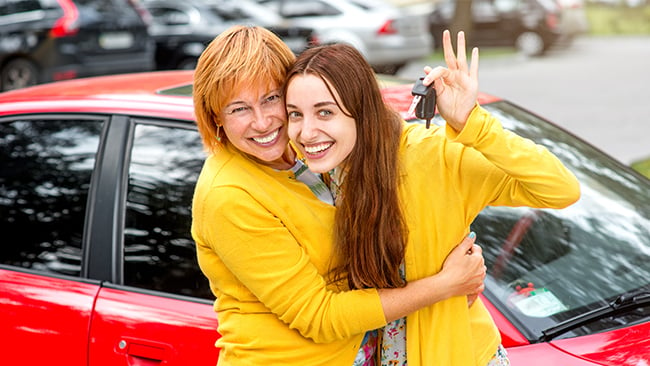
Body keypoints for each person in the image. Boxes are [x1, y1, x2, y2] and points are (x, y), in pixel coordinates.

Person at [191, 25, 487, 365]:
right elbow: (319, 316)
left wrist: (444, 259)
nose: (262, 123)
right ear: (216, 117)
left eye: (271, 99)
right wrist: (443, 285)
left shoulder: (304, 146)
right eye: (238, 109)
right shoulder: (228, 196)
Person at [284, 30, 581, 366]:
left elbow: (560, 188)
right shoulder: (306, 178)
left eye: (325, 113)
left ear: (362, 111)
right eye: (295, 114)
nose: (306, 132)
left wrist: (473, 124)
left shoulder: (432, 156)